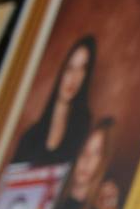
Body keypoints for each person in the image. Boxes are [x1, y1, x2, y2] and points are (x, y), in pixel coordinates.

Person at [12, 34, 97, 168]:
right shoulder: (30, 137)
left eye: (82, 69)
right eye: (70, 68)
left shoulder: (85, 128)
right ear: (61, 73)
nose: (74, 77)